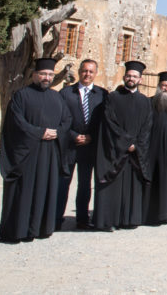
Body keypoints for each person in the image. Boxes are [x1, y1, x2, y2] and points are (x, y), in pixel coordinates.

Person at [0, 58, 71, 243]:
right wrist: (40, 132)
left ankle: (40, 228)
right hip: (27, 154)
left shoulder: (57, 97)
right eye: (43, 74)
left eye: (50, 75)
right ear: (34, 75)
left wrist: (57, 132)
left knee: (45, 189)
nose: (46, 78)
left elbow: (67, 120)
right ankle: (18, 230)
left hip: (49, 153)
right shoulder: (21, 95)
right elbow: (16, 122)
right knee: (24, 190)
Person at [94, 61, 153, 231]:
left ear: (140, 79)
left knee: (132, 186)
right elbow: (109, 122)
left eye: (135, 76)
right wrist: (126, 143)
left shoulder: (145, 102)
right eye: (129, 75)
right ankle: (109, 220)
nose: (131, 78)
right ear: (124, 77)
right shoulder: (113, 98)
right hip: (116, 150)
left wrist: (137, 145)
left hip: (135, 153)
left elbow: (147, 127)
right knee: (113, 185)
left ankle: (129, 219)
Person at [57, 58, 106, 230]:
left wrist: (91, 136)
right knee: (63, 182)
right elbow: (60, 119)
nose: (87, 74)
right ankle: (56, 218)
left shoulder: (102, 94)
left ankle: (82, 219)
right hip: (69, 146)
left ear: (95, 73)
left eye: (91, 71)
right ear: (79, 71)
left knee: (85, 184)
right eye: (85, 71)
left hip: (89, 147)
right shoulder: (65, 93)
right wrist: (73, 135)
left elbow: (103, 121)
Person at [144, 71, 167, 226]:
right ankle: (147, 213)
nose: (166, 89)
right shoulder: (148, 103)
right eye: (164, 85)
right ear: (159, 87)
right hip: (151, 148)